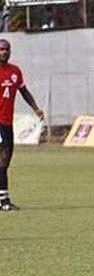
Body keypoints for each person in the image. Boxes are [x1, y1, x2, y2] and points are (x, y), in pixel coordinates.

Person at [0, 39, 44, 212]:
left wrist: (36, 109)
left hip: (7, 122)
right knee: (3, 154)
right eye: (1, 49)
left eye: (6, 49)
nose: (4, 52)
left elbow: (24, 91)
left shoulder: (15, 71)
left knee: (6, 160)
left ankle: (2, 197)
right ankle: (4, 200)